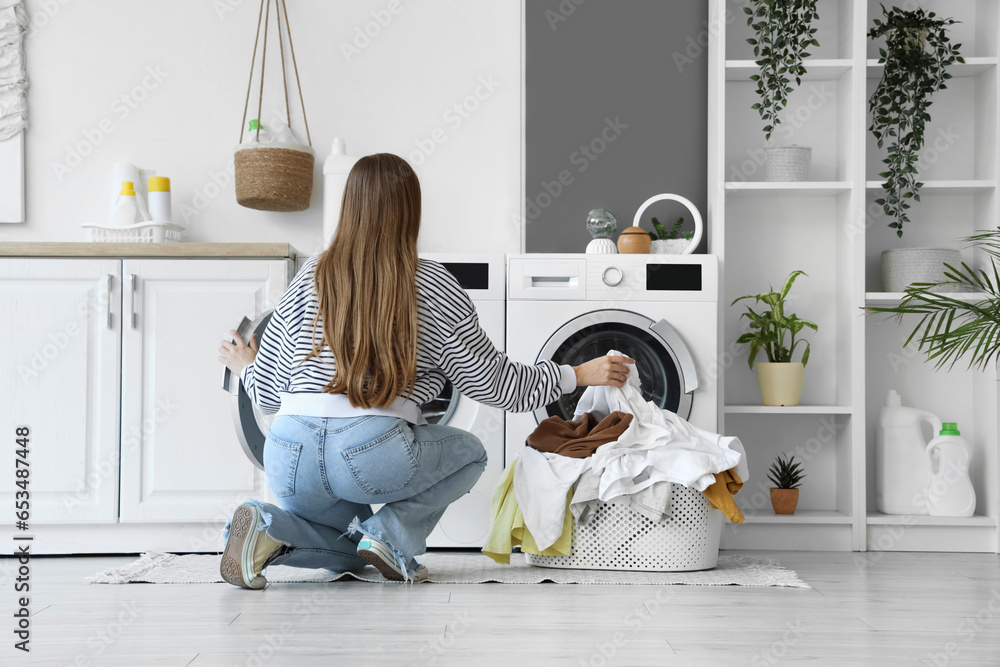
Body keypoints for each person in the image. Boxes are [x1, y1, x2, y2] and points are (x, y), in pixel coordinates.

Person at [217, 153, 634, 588]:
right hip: (369, 451)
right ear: (411, 211)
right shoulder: (431, 282)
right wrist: (576, 374)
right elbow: (498, 385)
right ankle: (389, 537)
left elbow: (266, 396)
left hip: (289, 453)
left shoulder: (309, 275)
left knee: (347, 552)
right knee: (470, 453)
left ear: (349, 207)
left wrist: (248, 365)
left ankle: (267, 527)